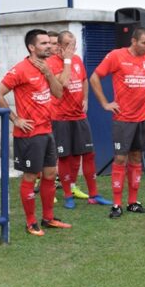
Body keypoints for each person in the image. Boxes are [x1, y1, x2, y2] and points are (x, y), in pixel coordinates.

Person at [0, 29, 71, 236]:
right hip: (29, 134)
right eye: (44, 43)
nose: (49, 46)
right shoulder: (20, 69)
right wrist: (15, 119)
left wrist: (48, 73)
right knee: (31, 176)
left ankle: (48, 218)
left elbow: (58, 93)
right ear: (32, 47)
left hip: (47, 130)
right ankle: (30, 222)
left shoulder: (47, 67)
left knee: (50, 174)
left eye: (50, 43)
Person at [89, 27, 145, 219]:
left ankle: (132, 202)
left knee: (136, 157)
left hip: (143, 117)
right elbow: (94, 78)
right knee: (120, 159)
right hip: (123, 119)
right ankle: (117, 204)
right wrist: (105, 103)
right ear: (133, 41)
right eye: (144, 43)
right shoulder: (116, 56)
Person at [48, 31, 112, 209]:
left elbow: (84, 80)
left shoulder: (77, 60)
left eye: (74, 45)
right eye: (68, 45)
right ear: (59, 46)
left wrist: (85, 99)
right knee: (65, 157)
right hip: (60, 117)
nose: (72, 49)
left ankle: (94, 195)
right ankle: (68, 195)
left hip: (79, 116)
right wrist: (67, 60)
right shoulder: (51, 62)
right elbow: (63, 83)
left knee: (88, 154)